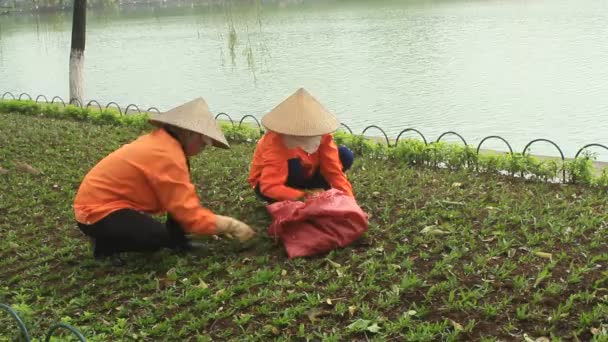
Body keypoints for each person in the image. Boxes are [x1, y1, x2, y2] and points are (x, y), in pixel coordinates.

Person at [73, 97, 255, 261]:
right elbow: (188, 215)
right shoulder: (167, 154)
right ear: (189, 133)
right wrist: (230, 225)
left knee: (170, 224)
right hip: (96, 213)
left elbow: (178, 200)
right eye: (204, 143)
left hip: (107, 205)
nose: (203, 149)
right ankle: (106, 245)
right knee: (156, 238)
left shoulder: (165, 143)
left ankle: (178, 243)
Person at [248, 88, 355, 203]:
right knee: (294, 164)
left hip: (306, 175)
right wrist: (305, 196)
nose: (317, 142)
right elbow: (269, 187)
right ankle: (296, 195)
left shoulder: (323, 135)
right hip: (272, 183)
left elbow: (334, 171)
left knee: (344, 155)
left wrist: (350, 202)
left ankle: (307, 192)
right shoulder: (275, 141)